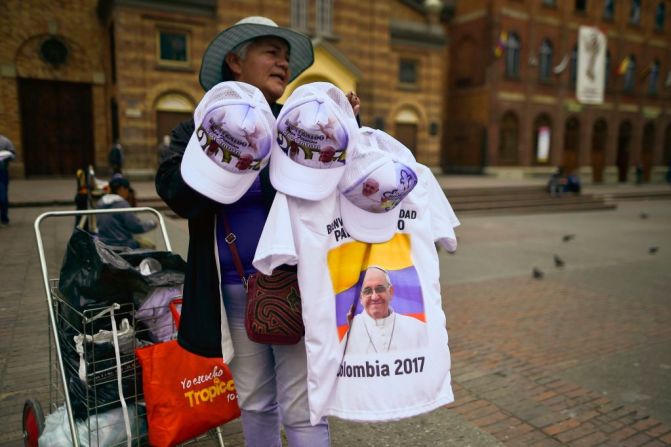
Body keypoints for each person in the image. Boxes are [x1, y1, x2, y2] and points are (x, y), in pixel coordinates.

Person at [156, 16, 353, 447]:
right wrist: (225, 143)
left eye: (286, 57)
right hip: (233, 289)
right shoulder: (196, 127)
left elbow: (345, 188)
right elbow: (175, 191)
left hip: (296, 285)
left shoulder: (299, 122)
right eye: (271, 52)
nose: (283, 63)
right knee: (256, 400)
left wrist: (343, 132)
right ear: (235, 61)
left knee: (305, 405)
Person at [344, 266, 426, 355]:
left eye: (380, 289)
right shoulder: (348, 331)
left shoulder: (417, 329)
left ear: (390, 292)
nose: (374, 297)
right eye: (367, 291)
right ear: (360, 298)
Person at [96, 176, 156, 248]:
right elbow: (135, 226)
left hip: (103, 243)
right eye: (127, 189)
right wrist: (152, 224)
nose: (128, 193)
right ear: (121, 189)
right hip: (122, 243)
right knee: (150, 246)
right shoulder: (122, 204)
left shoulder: (100, 203)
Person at [0, 134, 16, 226]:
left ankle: (4, 217)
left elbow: (13, 155)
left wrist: (5, 156)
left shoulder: (5, 141)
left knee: (2, 196)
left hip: (1, 172)